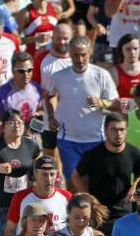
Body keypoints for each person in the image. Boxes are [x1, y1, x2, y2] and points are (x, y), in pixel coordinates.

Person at [45, 35, 118, 177]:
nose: (80, 60)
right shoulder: (59, 76)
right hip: (68, 140)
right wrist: (51, 117)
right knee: (73, 182)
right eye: (76, 56)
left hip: (96, 139)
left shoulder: (101, 75)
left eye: (83, 55)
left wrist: (102, 103)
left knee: (95, 183)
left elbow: (117, 104)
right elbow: (49, 96)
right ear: (70, 54)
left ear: (90, 53)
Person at [72, 112, 140, 232]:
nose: (118, 134)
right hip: (99, 213)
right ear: (105, 130)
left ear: (126, 131)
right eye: (114, 130)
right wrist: (89, 198)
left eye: (122, 129)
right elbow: (76, 176)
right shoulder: (92, 155)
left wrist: (135, 186)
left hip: (124, 211)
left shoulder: (134, 153)